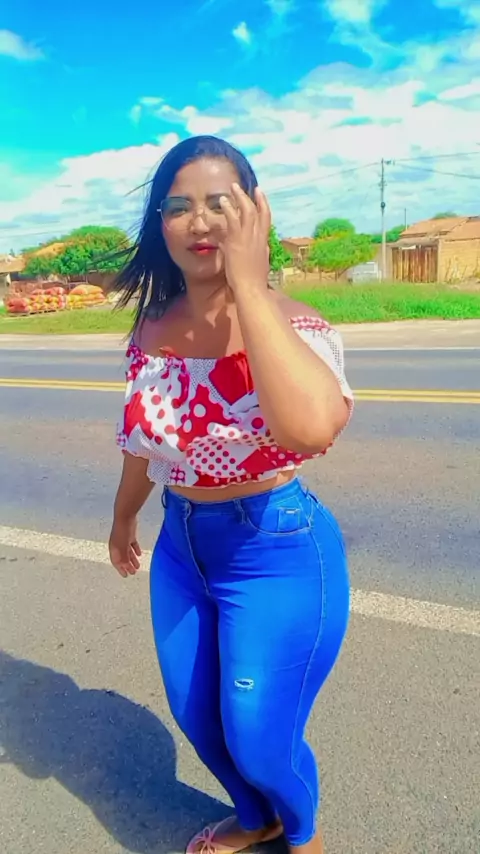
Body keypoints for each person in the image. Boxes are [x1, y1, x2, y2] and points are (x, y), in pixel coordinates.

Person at [109, 135, 354, 854]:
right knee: (198, 714)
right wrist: (123, 517)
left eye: (221, 203)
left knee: (260, 737)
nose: (200, 221)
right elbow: (143, 439)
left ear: (255, 214)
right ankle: (256, 819)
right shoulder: (152, 326)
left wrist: (249, 286)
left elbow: (310, 427)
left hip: (274, 546)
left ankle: (301, 836)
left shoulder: (294, 323)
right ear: (161, 225)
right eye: (178, 206)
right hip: (181, 542)